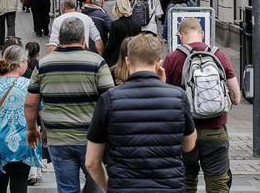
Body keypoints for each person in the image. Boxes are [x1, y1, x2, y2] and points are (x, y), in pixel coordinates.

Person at [85, 34, 198, 192]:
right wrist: (163, 86)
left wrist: (108, 187)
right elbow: (189, 145)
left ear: (127, 61)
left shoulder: (109, 99)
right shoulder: (178, 97)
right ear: (159, 64)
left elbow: (91, 162)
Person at [25, 18, 113, 193]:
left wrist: (32, 129)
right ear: (83, 39)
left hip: (59, 139)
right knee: (97, 187)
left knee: (66, 189)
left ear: (59, 39)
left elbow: (30, 103)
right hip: (91, 139)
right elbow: (110, 101)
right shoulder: (97, 63)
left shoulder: (43, 65)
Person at [162, 18, 240, 193]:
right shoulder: (219, 55)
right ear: (201, 34)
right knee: (218, 184)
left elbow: (164, 97)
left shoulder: (173, 58)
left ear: (180, 35)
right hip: (216, 132)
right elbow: (236, 98)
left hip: (184, 133)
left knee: (186, 182)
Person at [0, 45, 43, 193]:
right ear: (19, 64)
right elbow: (42, 110)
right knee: (20, 184)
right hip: (24, 142)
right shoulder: (30, 85)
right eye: (25, 61)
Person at [104, 0, 140, 67]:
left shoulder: (115, 24)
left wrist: (104, 56)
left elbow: (111, 46)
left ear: (118, 8)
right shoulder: (137, 25)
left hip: (117, 59)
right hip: (132, 59)